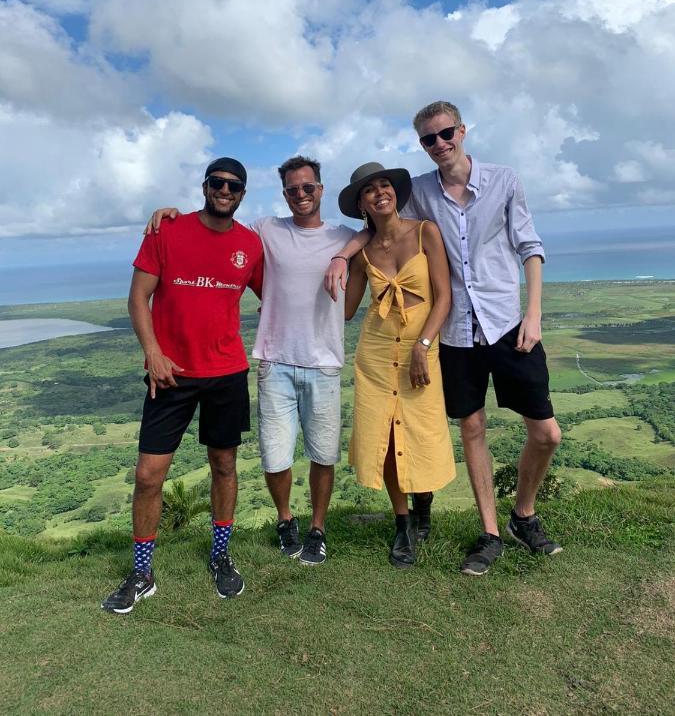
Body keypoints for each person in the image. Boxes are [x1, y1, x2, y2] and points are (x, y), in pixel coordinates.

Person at [326, 102, 563, 576]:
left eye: (446, 133)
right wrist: (343, 255)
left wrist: (533, 314)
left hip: (505, 321)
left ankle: (524, 514)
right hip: (456, 336)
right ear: (422, 145)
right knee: (471, 429)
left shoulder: (504, 180)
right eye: (429, 139)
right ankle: (491, 532)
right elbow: (377, 224)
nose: (440, 144)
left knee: (546, 432)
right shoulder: (420, 193)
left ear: (462, 130)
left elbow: (530, 247)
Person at [146, 156, 355, 566]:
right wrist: (166, 213)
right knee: (275, 457)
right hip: (274, 361)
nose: (300, 195)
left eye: (308, 188)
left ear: (321, 190)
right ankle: (284, 519)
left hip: (324, 362)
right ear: (284, 194)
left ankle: (318, 528)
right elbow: (217, 225)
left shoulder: (343, 236)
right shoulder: (265, 230)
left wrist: (343, 255)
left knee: (323, 456)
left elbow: (369, 234)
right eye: (293, 189)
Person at [101, 157, 263, 614]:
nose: (225, 190)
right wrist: (151, 351)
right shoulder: (166, 231)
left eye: (233, 185)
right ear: (205, 185)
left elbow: (276, 292)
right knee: (148, 475)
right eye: (217, 182)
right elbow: (138, 297)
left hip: (226, 373)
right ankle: (142, 570)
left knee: (224, 464)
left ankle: (220, 555)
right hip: (169, 373)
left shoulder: (250, 245)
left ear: (243, 193)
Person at [339, 162, 456, 568]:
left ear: (395, 192)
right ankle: (403, 523)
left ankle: (423, 500)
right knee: (384, 438)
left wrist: (423, 345)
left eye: (384, 185)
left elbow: (444, 298)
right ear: (361, 205)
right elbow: (348, 310)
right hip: (375, 353)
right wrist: (341, 258)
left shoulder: (426, 233)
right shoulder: (364, 252)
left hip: (419, 349)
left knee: (421, 431)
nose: (379, 193)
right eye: (368, 191)